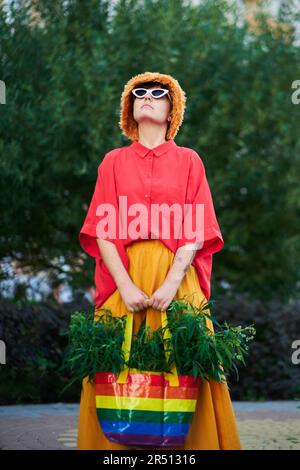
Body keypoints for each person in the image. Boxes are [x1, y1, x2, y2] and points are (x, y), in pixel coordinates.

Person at [77, 71, 242, 450]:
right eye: (139, 92)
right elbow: (103, 230)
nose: (147, 97)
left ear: (172, 111)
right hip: (125, 278)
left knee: (187, 369)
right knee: (113, 371)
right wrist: (125, 285)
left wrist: (170, 284)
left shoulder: (190, 161)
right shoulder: (112, 162)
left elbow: (196, 229)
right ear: (130, 109)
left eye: (158, 93)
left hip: (177, 279)